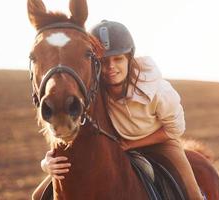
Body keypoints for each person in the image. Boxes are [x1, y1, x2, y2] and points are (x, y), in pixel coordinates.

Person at [36, 20, 204, 200]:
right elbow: (71, 127)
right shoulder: (92, 90)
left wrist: (129, 145)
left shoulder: (158, 90)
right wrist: (48, 162)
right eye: (103, 61)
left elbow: (174, 129)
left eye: (118, 59)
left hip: (160, 142)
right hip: (114, 145)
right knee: (38, 196)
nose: (110, 68)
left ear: (129, 58)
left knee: (192, 195)